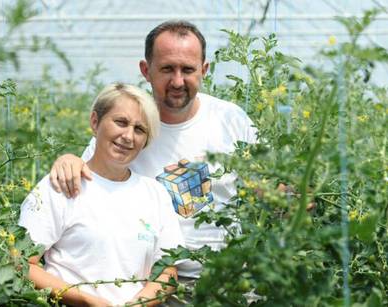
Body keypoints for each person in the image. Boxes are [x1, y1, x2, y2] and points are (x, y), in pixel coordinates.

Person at [49, 20, 257, 286]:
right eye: (167, 69)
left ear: (204, 70)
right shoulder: (130, 129)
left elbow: (271, 184)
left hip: (231, 283)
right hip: (151, 286)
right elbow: (89, 170)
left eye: (188, 69)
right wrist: (68, 160)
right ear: (146, 70)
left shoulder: (232, 120)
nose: (178, 81)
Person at [19, 83, 184, 307]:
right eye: (121, 122)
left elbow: (168, 272)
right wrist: (85, 300)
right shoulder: (61, 185)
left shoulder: (155, 194)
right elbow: (21, 263)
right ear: (95, 122)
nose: (128, 136)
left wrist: (137, 305)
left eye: (139, 129)